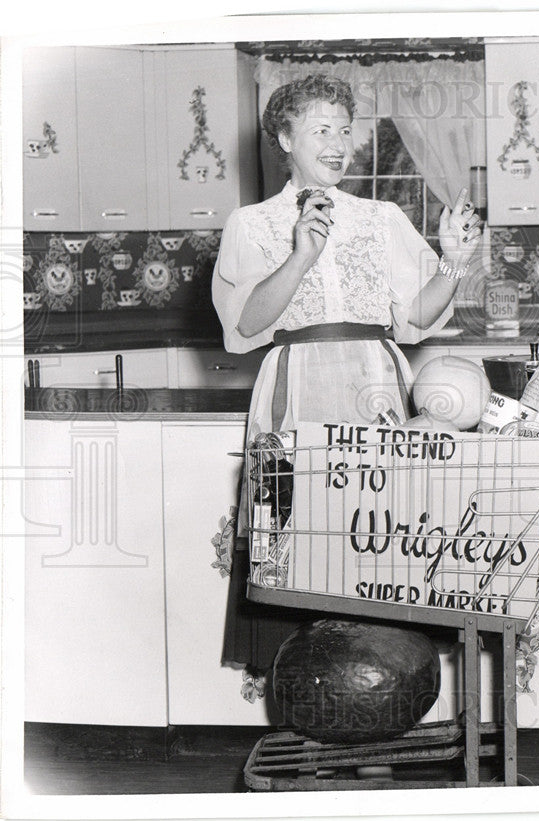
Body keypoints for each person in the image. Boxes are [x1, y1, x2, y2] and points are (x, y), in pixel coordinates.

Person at [212, 74, 482, 674]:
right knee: (302, 554)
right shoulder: (250, 224)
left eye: (343, 129)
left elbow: (415, 315)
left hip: (376, 389)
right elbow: (245, 327)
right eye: (319, 130)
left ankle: (380, 712)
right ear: (284, 138)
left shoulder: (380, 218)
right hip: (296, 394)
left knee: (381, 547)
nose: (337, 143)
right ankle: (314, 718)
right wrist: (300, 256)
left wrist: (455, 266)